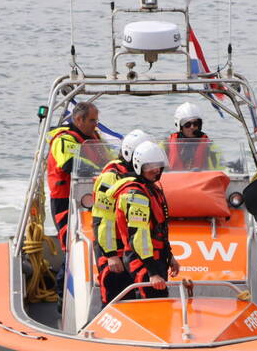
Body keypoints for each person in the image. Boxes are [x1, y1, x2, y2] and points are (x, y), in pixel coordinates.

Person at [91, 128, 151, 304]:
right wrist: (111, 255)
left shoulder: (141, 176)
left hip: (131, 245)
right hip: (113, 247)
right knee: (115, 295)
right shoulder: (110, 178)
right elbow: (103, 220)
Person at [113, 141, 180, 299]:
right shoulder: (136, 195)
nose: (155, 170)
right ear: (139, 166)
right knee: (150, 304)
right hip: (143, 262)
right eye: (149, 166)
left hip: (157, 258)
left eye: (158, 165)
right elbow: (138, 236)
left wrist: (170, 257)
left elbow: (160, 230)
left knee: (161, 304)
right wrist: (153, 273)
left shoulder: (151, 188)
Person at [46, 101, 103, 249]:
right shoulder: (63, 139)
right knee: (71, 245)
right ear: (79, 120)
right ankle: (65, 272)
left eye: (96, 120)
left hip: (93, 196)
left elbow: (107, 158)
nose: (95, 124)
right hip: (66, 199)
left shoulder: (95, 138)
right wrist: (100, 170)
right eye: (92, 120)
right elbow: (69, 164)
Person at [164, 102, 221, 170]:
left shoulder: (210, 145)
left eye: (196, 123)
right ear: (180, 126)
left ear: (200, 125)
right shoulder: (166, 144)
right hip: (175, 179)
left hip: (201, 179)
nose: (192, 127)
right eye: (187, 124)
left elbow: (220, 168)